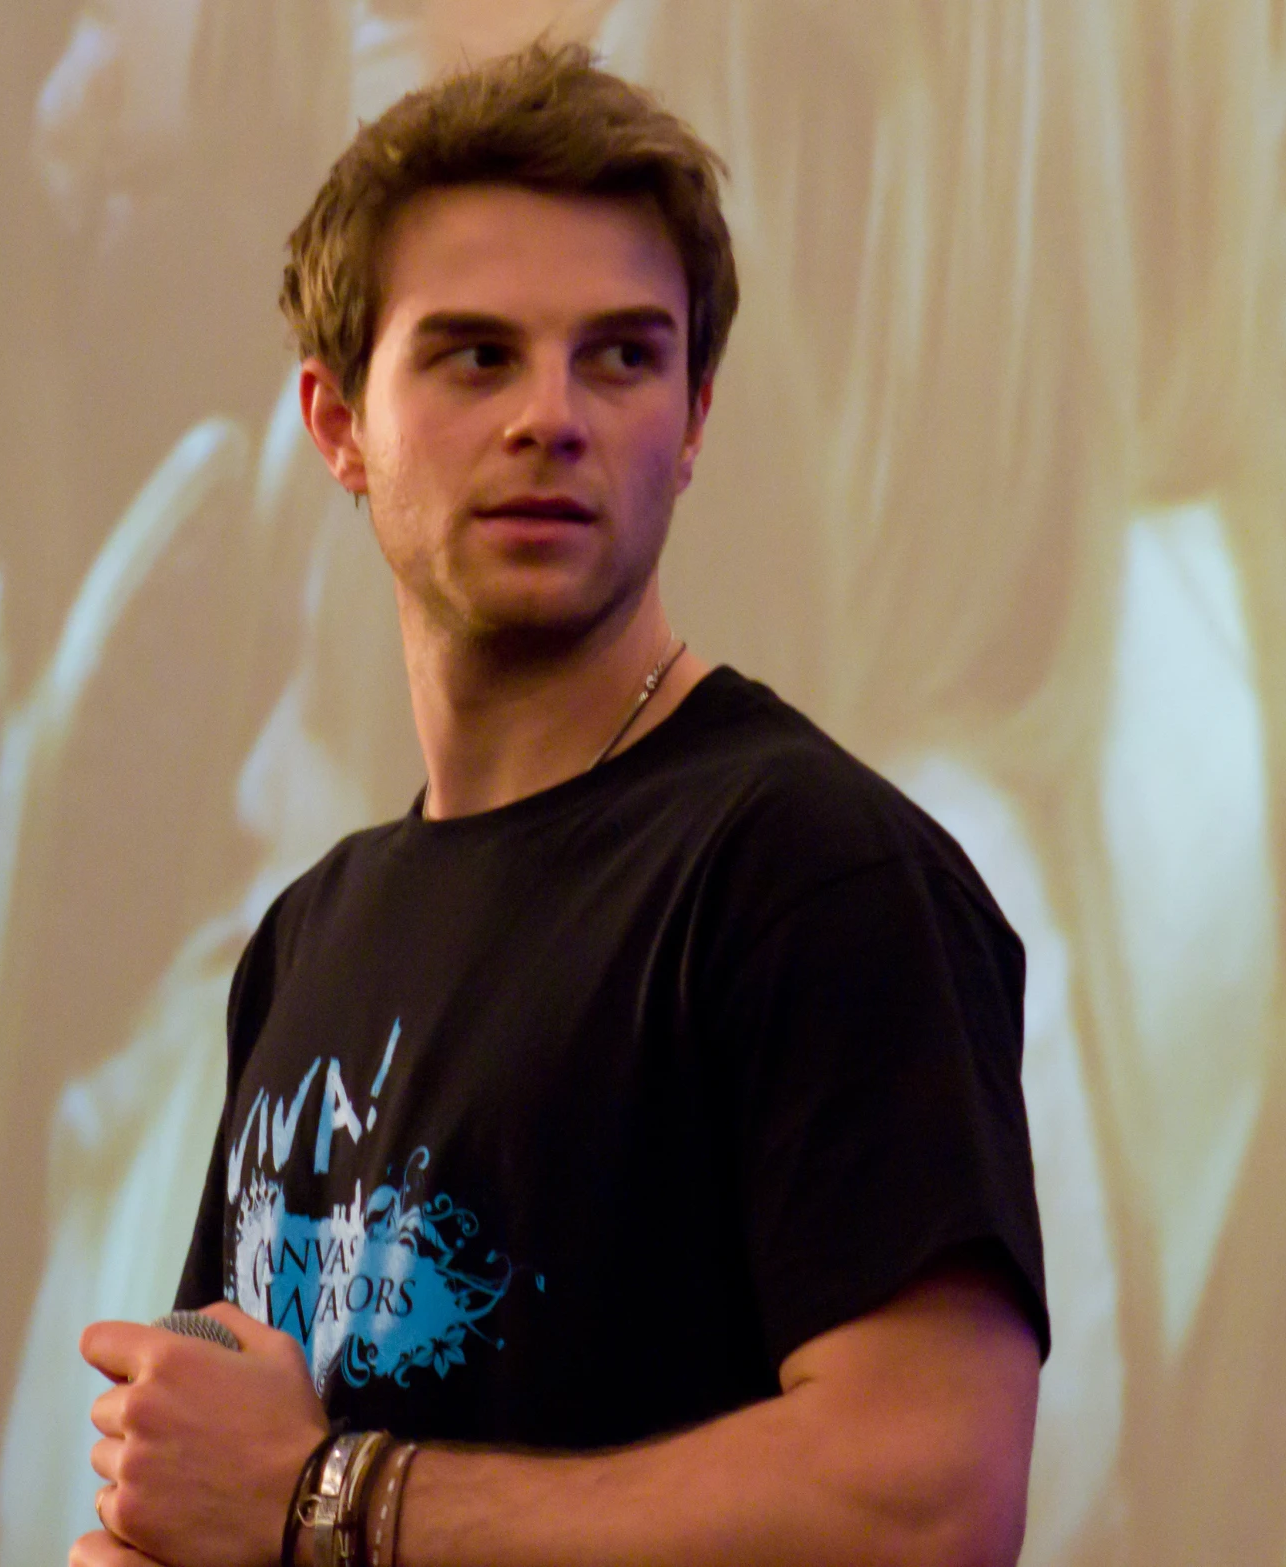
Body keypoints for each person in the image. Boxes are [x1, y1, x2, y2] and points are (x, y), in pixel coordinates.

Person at [72, 41, 1046, 1567]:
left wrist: (334, 1502)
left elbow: (925, 1496)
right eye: (474, 355)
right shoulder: (308, 931)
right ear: (334, 424)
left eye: (620, 355)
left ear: (696, 416)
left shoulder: (811, 872)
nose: (553, 415)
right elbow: (219, 1479)